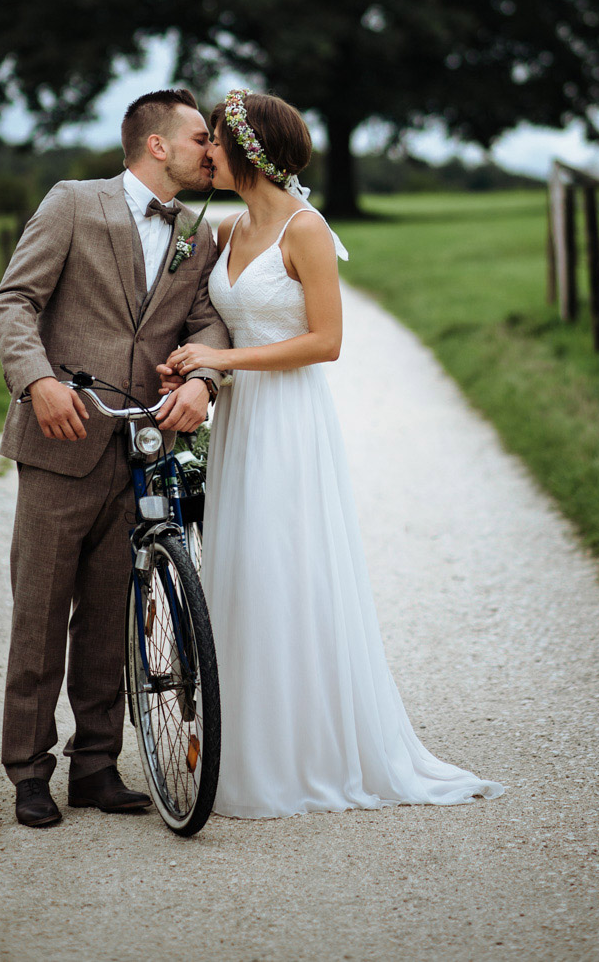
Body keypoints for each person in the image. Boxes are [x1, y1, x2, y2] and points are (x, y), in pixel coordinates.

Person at [163, 89, 504, 818]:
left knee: (286, 567)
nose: (207, 151)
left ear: (248, 150)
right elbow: (207, 321)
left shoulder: (305, 228)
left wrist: (227, 362)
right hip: (241, 423)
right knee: (241, 568)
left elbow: (327, 341)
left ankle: (305, 751)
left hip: (289, 422)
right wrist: (191, 366)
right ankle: (240, 741)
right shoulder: (224, 229)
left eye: (215, 139)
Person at [0, 88, 229, 828]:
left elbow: (209, 323)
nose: (211, 150)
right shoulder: (73, 202)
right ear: (157, 144)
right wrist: (37, 381)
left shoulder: (198, 234)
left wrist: (202, 379)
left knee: (108, 619)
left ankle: (96, 765)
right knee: (39, 615)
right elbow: (12, 302)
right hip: (58, 444)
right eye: (199, 137)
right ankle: (29, 770)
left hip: (139, 450)